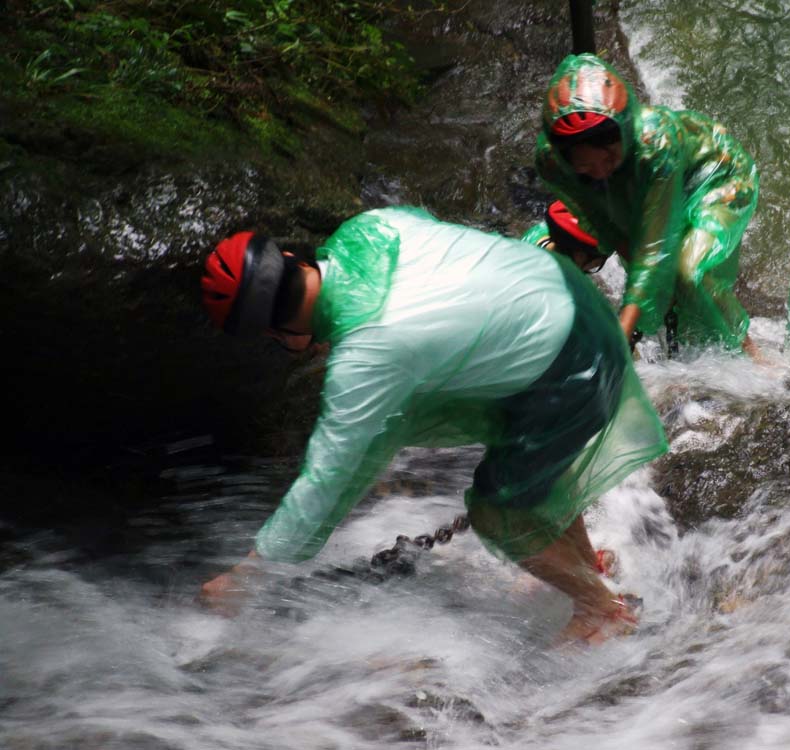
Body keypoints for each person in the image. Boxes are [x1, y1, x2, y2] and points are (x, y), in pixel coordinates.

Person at [198, 206, 668, 644]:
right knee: (524, 466)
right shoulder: (369, 227)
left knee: (498, 511)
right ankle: (588, 565)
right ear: (288, 256)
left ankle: (601, 608)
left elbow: (325, 479)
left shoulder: (366, 358)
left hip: (574, 367)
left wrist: (247, 576)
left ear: (274, 332)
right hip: (575, 299)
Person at [534, 53, 762, 359]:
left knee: (686, 269)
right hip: (638, 180)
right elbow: (608, 228)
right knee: (654, 283)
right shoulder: (551, 163)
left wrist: (621, 332)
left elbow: (655, 250)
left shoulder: (655, 143)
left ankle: (751, 352)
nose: (600, 171)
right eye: (586, 167)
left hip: (717, 176)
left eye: (607, 159)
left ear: (625, 136)